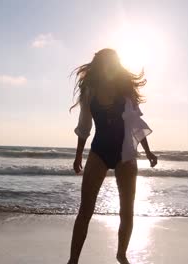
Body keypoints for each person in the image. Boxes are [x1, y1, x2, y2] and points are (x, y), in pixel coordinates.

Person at [67, 48, 158, 264]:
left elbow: (135, 123)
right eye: (106, 63)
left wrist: (148, 151)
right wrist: (78, 156)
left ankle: (121, 255)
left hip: (124, 154)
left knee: (127, 210)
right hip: (99, 151)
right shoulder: (90, 91)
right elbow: (84, 127)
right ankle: (73, 261)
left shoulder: (125, 92)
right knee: (85, 209)